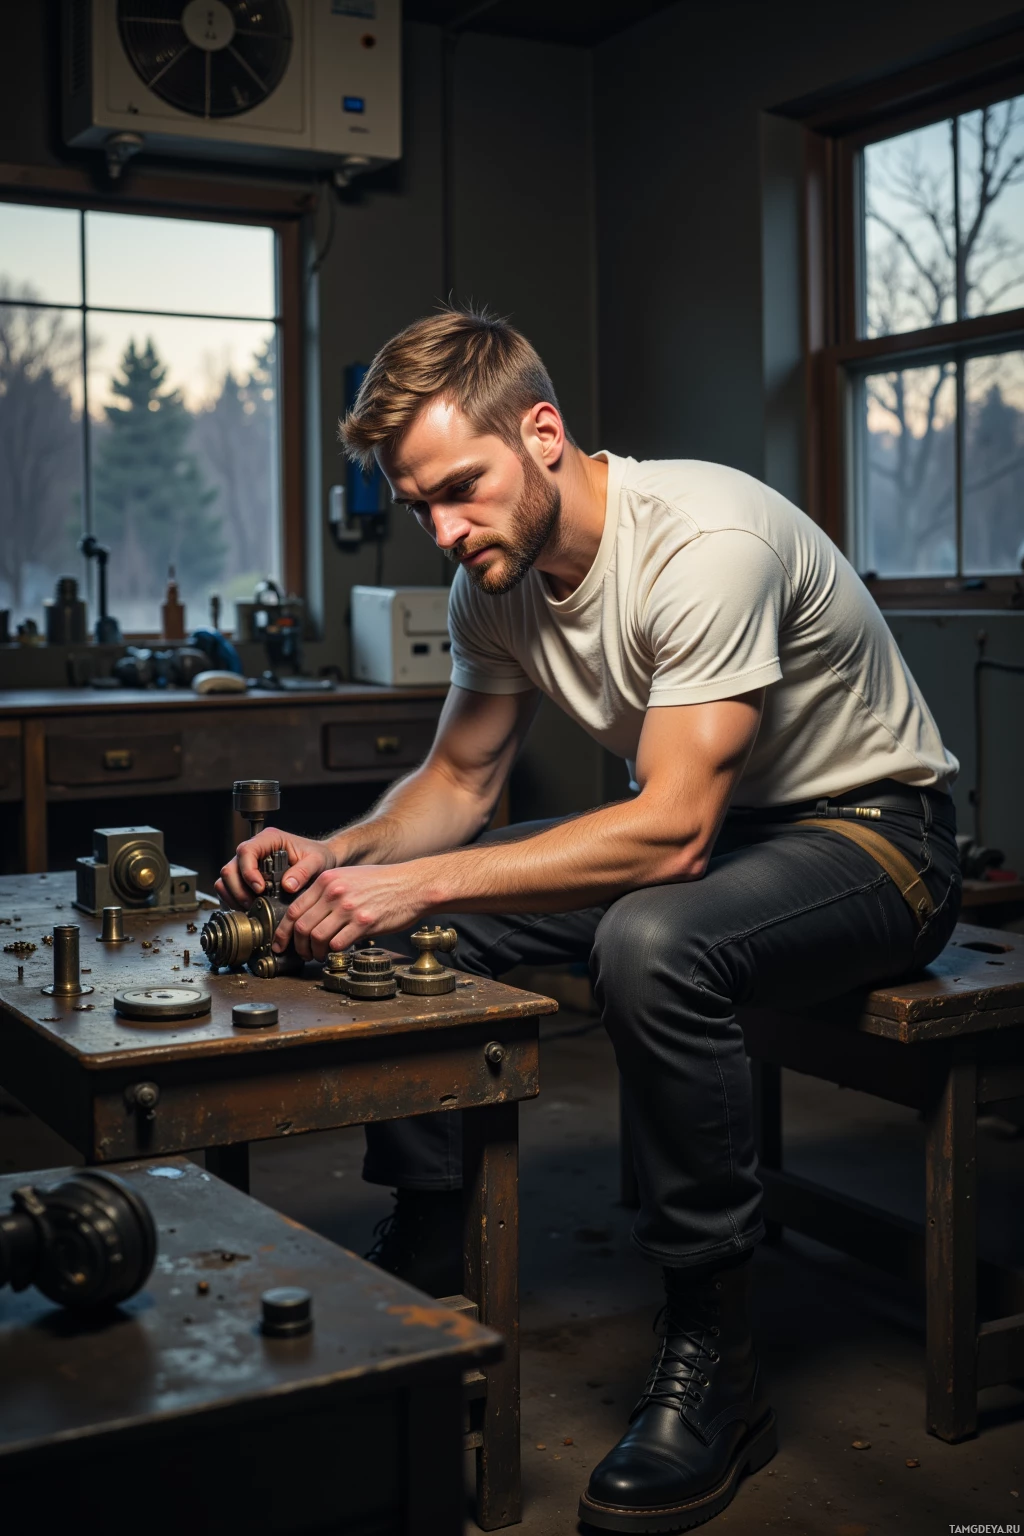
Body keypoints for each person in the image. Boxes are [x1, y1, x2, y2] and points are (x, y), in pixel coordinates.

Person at [217, 307, 961, 1533]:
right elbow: (458, 786)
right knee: (387, 924)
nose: (446, 532)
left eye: (461, 488)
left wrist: (419, 881)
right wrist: (341, 854)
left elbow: (669, 832)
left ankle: (714, 1359)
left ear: (544, 433)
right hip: (728, 841)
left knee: (649, 941)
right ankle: (435, 1238)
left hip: (876, 840)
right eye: (420, 508)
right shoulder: (494, 581)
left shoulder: (704, 541)